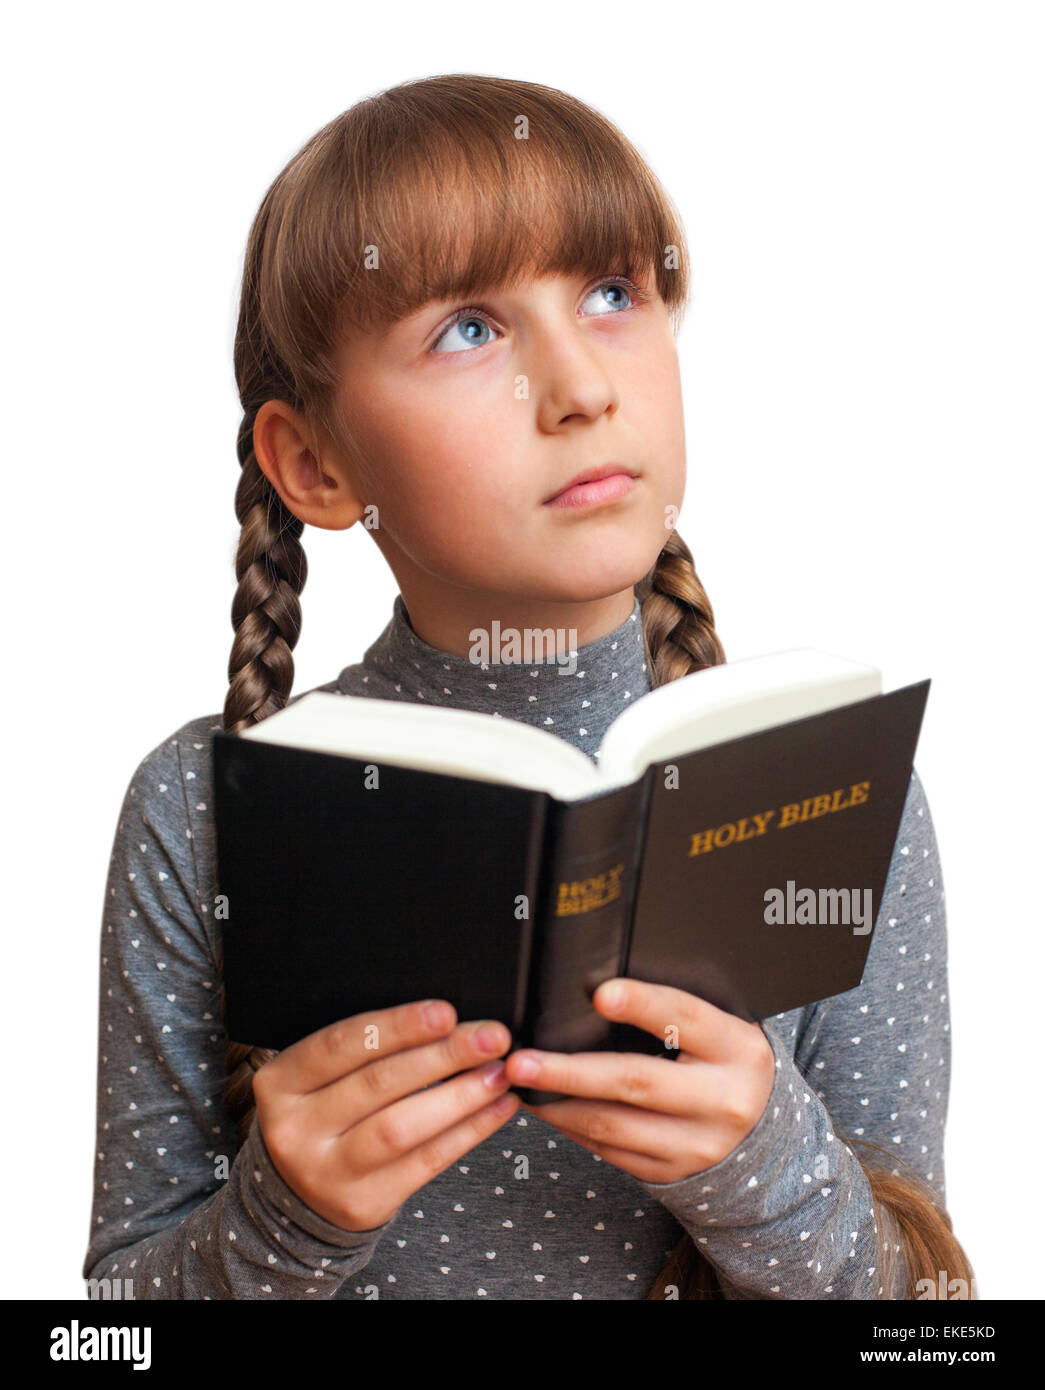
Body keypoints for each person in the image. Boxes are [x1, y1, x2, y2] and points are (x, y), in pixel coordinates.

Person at [83, 73, 973, 1300]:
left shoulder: (835, 793)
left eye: (614, 293)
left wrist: (763, 1169)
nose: (580, 389)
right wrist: (285, 1218)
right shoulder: (200, 810)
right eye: (468, 329)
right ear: (315, 463)